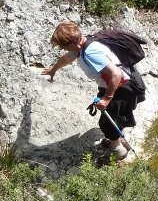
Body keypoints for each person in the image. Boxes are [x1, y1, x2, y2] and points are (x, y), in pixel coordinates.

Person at [41, 21, 145, 160]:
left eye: (63, 47)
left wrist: (107, 99)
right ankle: (118, 139)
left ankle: (118, 151)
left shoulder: (90, 52)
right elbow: (67, 58)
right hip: (121, 84)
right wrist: (53, 70)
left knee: (107, 123)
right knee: (114, 117)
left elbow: (116, 74)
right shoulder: (84, 44)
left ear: (73, 44)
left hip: (122, 88)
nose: (63, 50)